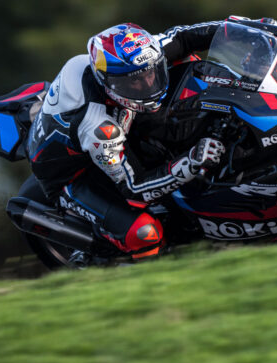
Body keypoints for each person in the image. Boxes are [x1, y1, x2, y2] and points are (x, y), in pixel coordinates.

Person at [27, 20, 241, 259]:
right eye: (134, 81)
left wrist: (245, 30)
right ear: (108, 81)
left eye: (151, 73)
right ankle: (99, 253)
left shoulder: (135, 58)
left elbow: (183, 37)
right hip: (73, 173)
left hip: (110, 125)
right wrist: (190, 162)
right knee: (144, 234)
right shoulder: (99, 126)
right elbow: (134, 187)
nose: (148, 84)